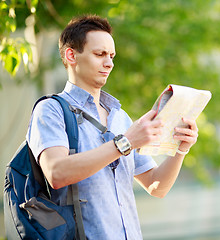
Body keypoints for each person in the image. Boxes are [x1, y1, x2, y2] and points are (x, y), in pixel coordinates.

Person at [26, 14, 198, 239]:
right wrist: (125, 143)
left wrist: (181, 149)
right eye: (100, 54)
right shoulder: (50, 110)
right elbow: (57, 172)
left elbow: (157, 187)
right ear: (71, 55)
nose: (109, 63)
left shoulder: (120, 117)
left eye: (111, 56)